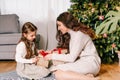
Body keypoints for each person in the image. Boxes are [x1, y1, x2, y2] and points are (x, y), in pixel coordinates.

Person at [45, 12, 101, 80]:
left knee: (57, 72)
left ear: (66, 24)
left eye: (59, 25)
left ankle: (90, 79)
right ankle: (88, 76)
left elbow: (71, 58)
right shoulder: (73, 34)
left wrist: (52, 56)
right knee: (57, 68)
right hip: (85, 62)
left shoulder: (79, 35)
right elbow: (73, 54)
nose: (58, 28)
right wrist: (53, 53)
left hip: (90, 63)